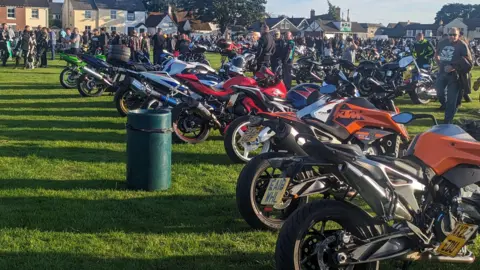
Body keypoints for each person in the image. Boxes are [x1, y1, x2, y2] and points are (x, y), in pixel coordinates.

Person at [434, 27, 472, 124]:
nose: (452, 36)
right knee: (439, 93)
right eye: (450, 34)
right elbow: (436, 54)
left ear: (459, 35)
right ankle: (450, 108)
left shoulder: (462, 45)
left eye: (454, 35)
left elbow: (468, 61)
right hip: (442, 73)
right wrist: (439, 64)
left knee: (451, 99)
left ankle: (447, 122)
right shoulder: (443, 42)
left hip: (455, 75)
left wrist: (453, 66)